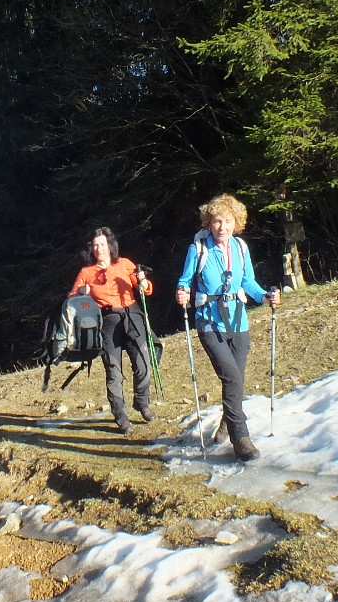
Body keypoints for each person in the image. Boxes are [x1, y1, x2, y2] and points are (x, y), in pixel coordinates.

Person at [175, 193, 280, 461]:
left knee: (237, 379)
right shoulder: (198, 249)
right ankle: (241, 438)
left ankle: (226, 421)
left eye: (228, 221)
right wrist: (182, 291)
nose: (223, 227)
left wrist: (265, 296)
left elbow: (249, 283)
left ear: (237, 223)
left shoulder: (240, 248)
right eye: (217, 221)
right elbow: (185, 280)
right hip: (209, 321)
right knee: (231, 377)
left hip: (238, 321)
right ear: (209, 223)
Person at [69, 227, 155, 435]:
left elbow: (146, 289)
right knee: (114, 371)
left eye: (103, 244)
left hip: (132, 316)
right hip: (107, 321)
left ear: (110, 246)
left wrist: (143, 280)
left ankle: (142, 403)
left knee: (144, 362)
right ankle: (121, 416)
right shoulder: (86, 272)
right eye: (95, 245)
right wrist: (82, 293)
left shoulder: (125, 264)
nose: (99, 249)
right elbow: (72, 298)